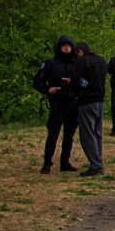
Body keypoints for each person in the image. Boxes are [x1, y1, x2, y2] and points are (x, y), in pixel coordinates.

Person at [32, 35, 79, 174]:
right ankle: (47, 163)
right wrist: (48, 90)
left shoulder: (77, 63)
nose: (66, 48)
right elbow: (37, 81)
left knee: (69, 135)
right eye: (64, 45)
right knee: (53, 134)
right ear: (59, 47)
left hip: (72, 102)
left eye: (69, 46)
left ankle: (65, 162)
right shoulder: (51, 63)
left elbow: (85, 81)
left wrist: (74, 84)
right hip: (58, 103)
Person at [73, 41, 108, 177]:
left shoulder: (81, 62)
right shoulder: (101, 60)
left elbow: (76, 81)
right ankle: (98, 161)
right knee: (97, 133)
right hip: (100, 101)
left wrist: (75, 92)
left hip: (87, 102)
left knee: (87, 135)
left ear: (80, 52)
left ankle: (95, 165)